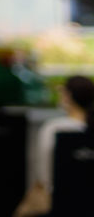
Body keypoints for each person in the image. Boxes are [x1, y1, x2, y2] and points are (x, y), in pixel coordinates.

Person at [13, 75, 93, 217]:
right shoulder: (86, 129)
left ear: (68, 96)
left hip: (60, 201)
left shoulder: (54, 128)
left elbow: (44, 174)